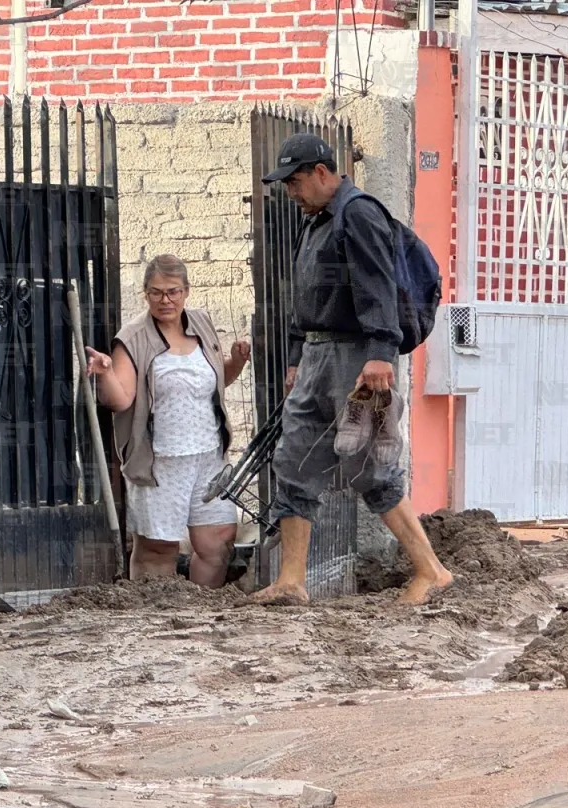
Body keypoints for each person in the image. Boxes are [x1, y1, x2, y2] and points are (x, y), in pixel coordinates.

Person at [246, 133, 455, 607]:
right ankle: (292, 581)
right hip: (317, 358)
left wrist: (381, 353)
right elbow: (306, 295)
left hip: (358, 361)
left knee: (371, 468)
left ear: (322, 172)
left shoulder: (357, 213)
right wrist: (297, 357)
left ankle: (432, 571)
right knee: (293, 463)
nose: (291, 192)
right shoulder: (314, 221)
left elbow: (377, 284)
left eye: (295, 182)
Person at [85, 253, 251, 588]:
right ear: (145, 294)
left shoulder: (201, 323)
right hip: (160, 461)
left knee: (218, 539)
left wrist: (236, 362)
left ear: (186, 291)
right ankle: (153, 614)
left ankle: (203, 609)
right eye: (157, 292)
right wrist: (104, 374)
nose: (165, 300)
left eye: (173, 291)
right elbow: (120, 400)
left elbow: (215, 382)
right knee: (158, 547)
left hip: (208, 456)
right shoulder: (133, 338)